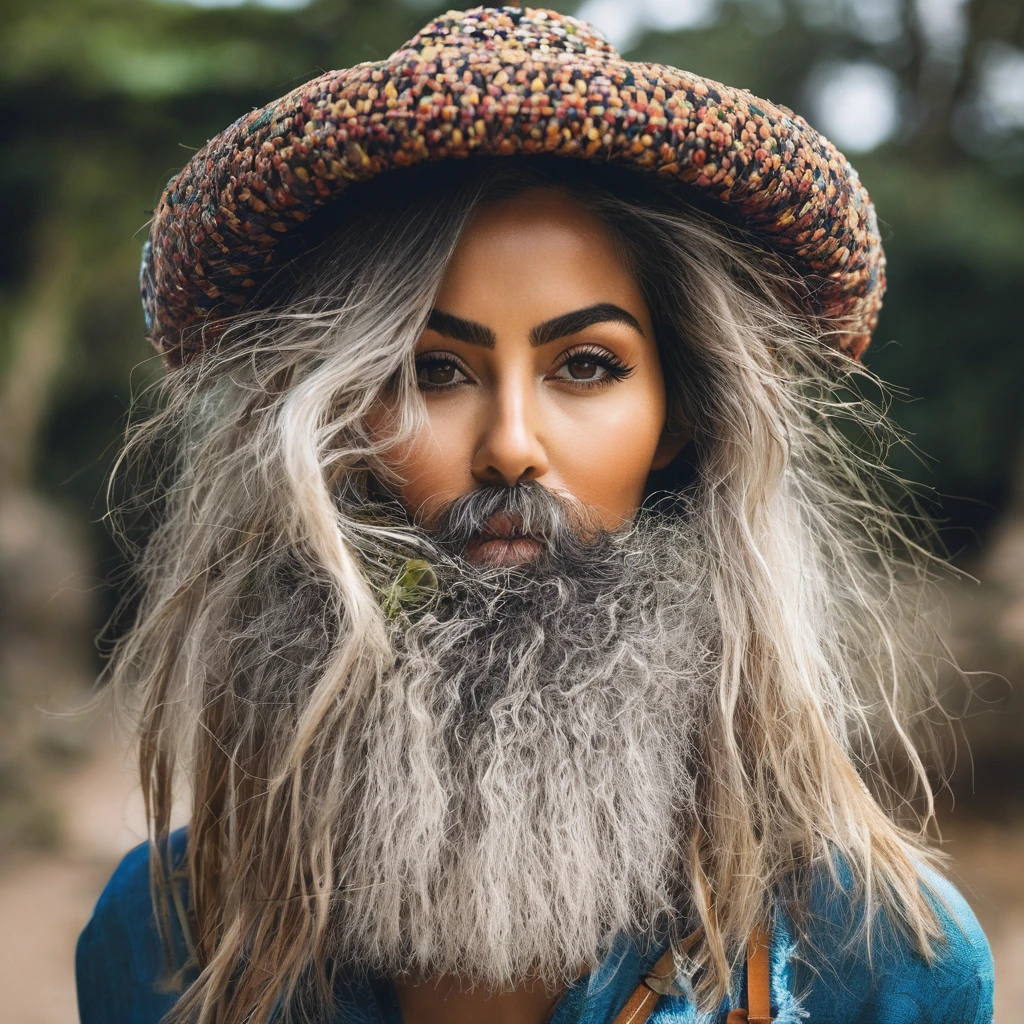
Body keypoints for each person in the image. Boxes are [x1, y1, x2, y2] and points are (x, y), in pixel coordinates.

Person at [76, 6, 994, 1024]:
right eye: (432, 369)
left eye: (587, 365)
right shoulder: (164, 941)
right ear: (334, 420)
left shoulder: (882, 961)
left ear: (679, 417)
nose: (511, 441)